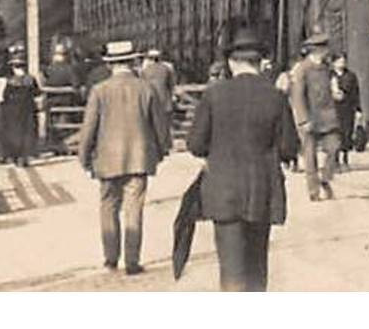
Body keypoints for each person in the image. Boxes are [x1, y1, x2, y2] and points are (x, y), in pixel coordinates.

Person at [186, 27, 299, 291]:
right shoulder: (276, 97)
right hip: (262, 191)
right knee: (257, 268)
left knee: (232, 270)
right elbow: (289, 147)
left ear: (230, 61)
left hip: (224, 191)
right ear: (260, 62)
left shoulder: (214, 95)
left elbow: (195, 144)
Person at [78, 40, 171, 274]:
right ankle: (132, 261)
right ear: (133, 62)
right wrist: (161, 150)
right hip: (139, 158)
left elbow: (89, 128)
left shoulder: (99, 91)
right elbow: (159, 126)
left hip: (107, 159)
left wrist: (84, 156)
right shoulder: (146, 88)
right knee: (134, 208)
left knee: (108, 207)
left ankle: (110, 259)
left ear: (110, 65)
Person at [287, 32, 341, 200]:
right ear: (316, 50)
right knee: (310, 155)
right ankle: (313, 190)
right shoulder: (302, 69)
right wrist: (303, 119)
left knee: (334, 147)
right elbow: (297, 96)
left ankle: (325, 178)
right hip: (310, 118)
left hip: (328, 117)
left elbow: (331, 88)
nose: (327, 51)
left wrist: (336, 93)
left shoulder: (327, 68)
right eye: (324, 47)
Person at [0, 55, 40, 166]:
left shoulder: (9, 81)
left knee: (10, 131)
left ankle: (8, 155)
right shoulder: (30, 79)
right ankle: (22, 157)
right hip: (27, 109)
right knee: (25, 132)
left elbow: (4, 95)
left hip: (11, 110)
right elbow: (37, 92)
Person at [330, 52, 362, 169]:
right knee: (335, 133)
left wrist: (358, 109)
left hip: (348, 108)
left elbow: (355, 93)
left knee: (347, 132)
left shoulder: (351, 76)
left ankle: (345, 158)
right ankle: (335, 160)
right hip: (333, 108)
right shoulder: (329, 76)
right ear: (334, 63)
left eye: (343, 61)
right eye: (339, 61)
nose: (341, 63)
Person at [140, 47, 177, 111]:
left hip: (151, 102)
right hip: (165, 102)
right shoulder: (167, 68)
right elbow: (171, 84)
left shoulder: (145, 70)